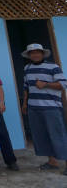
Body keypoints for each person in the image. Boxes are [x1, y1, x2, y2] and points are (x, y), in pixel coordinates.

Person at [21, 43, 67, 174]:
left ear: (42, 53)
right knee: (42, 135)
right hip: (34, 107)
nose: (35, 55)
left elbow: (63, 84)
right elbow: (26, 87)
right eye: (32, 53)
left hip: (51, 107)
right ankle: (52, 162)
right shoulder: (27, 68)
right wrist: (25, 103)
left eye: (37, 52)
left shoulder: (53, 67)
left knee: (58, 135)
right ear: (29, 55)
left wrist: (46, 85)